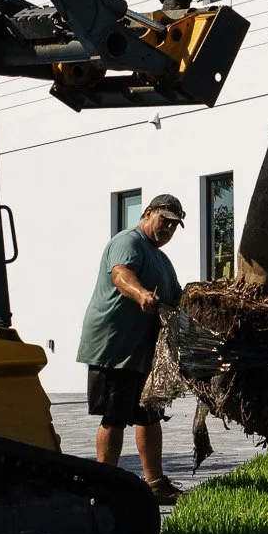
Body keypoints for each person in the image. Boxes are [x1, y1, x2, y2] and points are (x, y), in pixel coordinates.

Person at [76, 193, 186, 502]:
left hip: (142, 353)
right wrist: (141, 296)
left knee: (149, 415)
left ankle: (155, 484)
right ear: (148, 212)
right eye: (164, 221)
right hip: (115, 348)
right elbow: (121, 275)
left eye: (174, 226)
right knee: (114, 416)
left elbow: (177, 299)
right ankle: (104, 486)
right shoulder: (129, 242)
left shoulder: (162, 260)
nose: (168, 229)